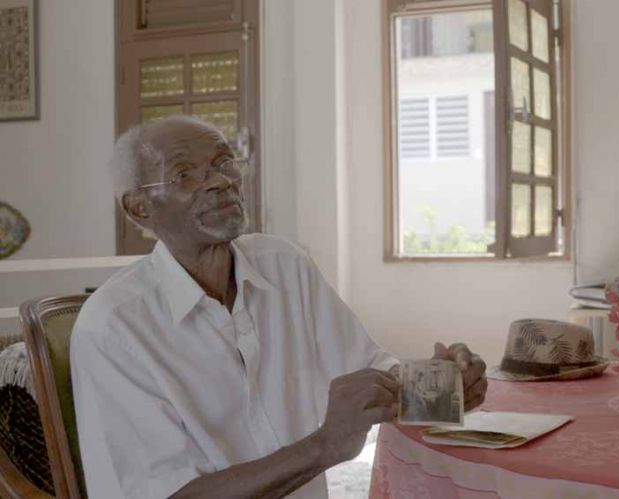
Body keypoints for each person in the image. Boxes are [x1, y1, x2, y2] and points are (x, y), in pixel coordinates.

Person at [70, 115, 487, 499]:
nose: (219, 182)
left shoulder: (283, 266)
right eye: (184, 175)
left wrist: (447, 389)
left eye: (223, 162)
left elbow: (373, 377)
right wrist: (323, 446)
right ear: (139, 209)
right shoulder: (114, 328)